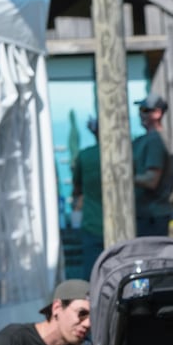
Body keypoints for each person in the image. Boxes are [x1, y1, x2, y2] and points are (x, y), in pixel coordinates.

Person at [132, 94, 173, 237]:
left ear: (157, 113)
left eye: (144, 110)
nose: (140, 114)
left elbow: (151, 180)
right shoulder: (142, 140)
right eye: (140, 110)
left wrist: (124, 179)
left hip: (152, 217)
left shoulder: (156, 141)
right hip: (145, 215)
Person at [71, 116, 104, 280]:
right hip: (124, 225)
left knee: (92, 277)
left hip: (92, 225)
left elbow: (76, 189)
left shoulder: (84, 156)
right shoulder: (129, 153)